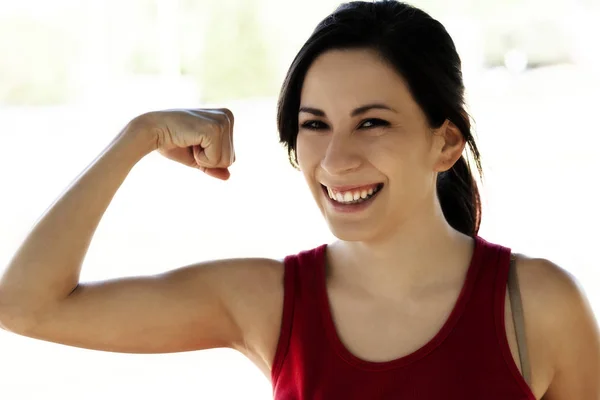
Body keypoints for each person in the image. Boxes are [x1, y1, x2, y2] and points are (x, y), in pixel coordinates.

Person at [0, 1, 598, 399]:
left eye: (372, 123)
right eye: (314, 125)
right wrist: (140, 135)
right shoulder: (268, 302)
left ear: (445, 142)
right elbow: (27, 305)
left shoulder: (540, 304)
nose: (336, 159)